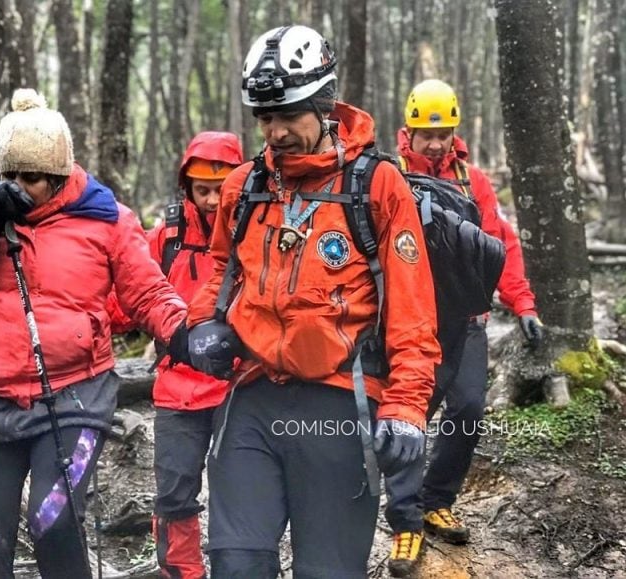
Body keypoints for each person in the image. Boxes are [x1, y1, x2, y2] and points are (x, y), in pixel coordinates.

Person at [173, 25, 442, 578]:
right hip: (250, 401)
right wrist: (203, 324)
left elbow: (414, 315)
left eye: (288, 114)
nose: (275, 131)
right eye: (264, 118)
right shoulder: (244, 186)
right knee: (236, 565)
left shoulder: (378, 186)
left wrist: (407, 408)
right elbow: (223, 271)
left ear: (322, 104)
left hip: (341, 404)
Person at [0, 88, 186, 579]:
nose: (19, 187)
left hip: (73, 396)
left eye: (32, 177)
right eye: (10, 175)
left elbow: (147, 294)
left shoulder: (107, 218)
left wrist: (187, 333)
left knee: (52, 522)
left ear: (58, 175)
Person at [383, 78, 543, 577]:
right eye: (426, 134)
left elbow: (501, 244)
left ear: (455, 131)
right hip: (411, 321)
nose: (435, 143)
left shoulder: (474, 182)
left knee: (469, 407)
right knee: (410, 414)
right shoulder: (390, 176)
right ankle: (405, 521)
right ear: (409, 130)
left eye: (443, 133)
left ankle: (436, 499)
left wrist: (523, 304)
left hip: (468, 319)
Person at [109, 131, 243, 578]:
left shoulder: (255, 230)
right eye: (200, 190)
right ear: (185, 186)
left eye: (218, 190)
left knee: (237, 495)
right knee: (174, 494)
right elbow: (125, 298)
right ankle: (182, 573)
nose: (209, 200)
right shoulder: (166, 235)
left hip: (239, 388)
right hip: (177, 388)